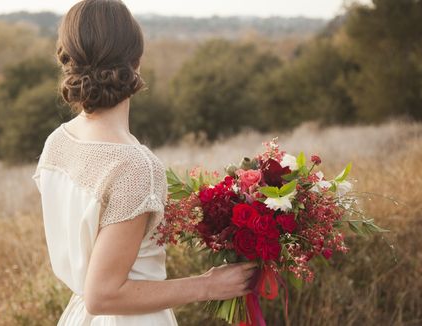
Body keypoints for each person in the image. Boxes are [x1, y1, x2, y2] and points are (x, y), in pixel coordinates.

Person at [32, 1, 257, 324]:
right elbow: (104, 294)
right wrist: (208, 285)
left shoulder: (58, 142)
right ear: (136, 61)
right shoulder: (133, 166)